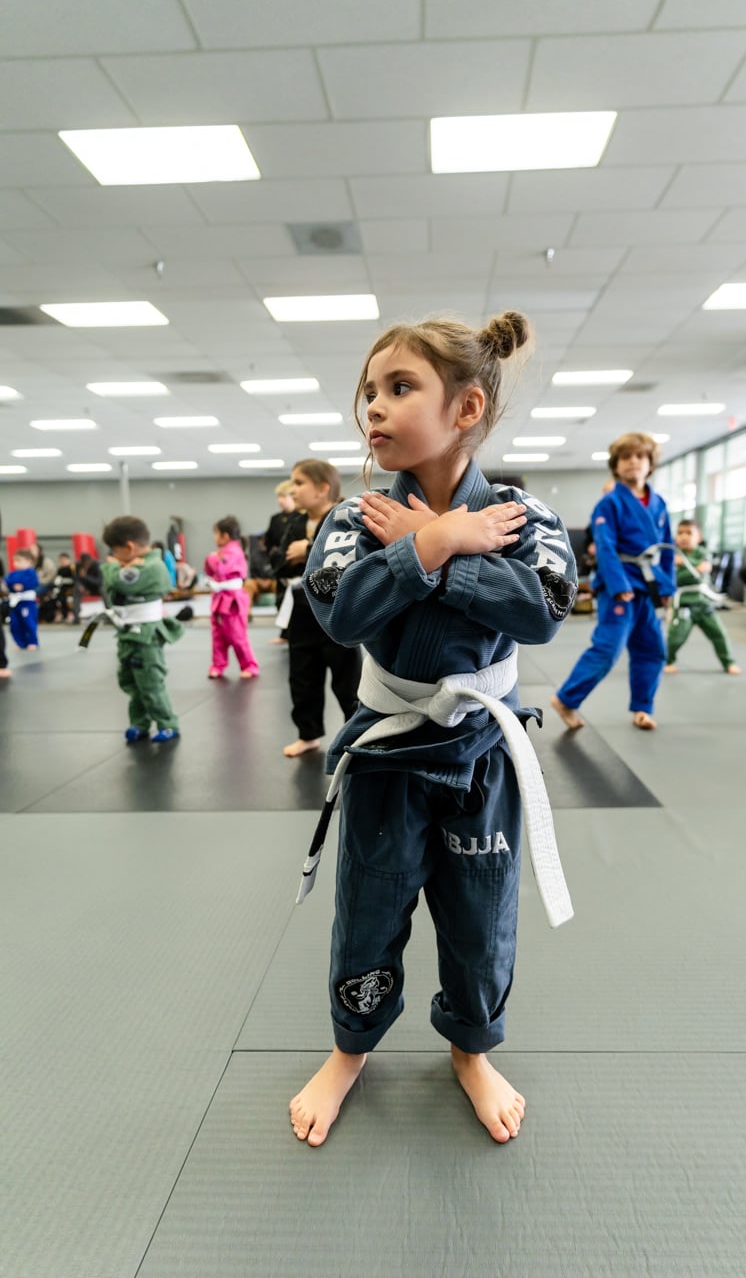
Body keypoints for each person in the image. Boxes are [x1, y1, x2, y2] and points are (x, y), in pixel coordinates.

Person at [288, 311, 576, 1149]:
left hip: (483, 753)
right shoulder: (354, 517)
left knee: (481, 915)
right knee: (368, 909)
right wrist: (437, 541)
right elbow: (340, 613)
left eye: (399, 387)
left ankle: (470, 1045)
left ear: (466, 410)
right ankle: (351, 1047)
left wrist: (437, 547)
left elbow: (541, 612)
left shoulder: (523, 514)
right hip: (388, 749)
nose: (372, 407)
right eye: (368, 392)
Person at [551, 432, 673, 731]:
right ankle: (566, 699)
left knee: (653, 649)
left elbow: (666, 548)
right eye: (626, 457)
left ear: (651, 465)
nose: (633, 462)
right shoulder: (608, 504)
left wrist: (667, 587)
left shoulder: (659, 504)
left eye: (640, 457)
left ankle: (643, 708)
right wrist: (619, 586)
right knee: (608, 648)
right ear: (616, 466)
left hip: (648, 586)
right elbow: (604, 547)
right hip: (621, 586)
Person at [276, 459, 362, 757]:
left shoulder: (343, 518)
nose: (293, 490)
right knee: (302, 676)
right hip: (301, 610)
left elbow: (348, 560)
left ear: (323, 488)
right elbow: (279, 559)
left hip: (335, 611)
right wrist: (295, 553)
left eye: (299, 483)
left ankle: (358, 734)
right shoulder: (294, 521)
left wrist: (308, 549)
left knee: (347, 680)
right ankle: (308, 733)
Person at [99, 517, 184, 743]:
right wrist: (118, 570)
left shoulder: (153, 567)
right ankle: (140, 722)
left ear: (129, 547)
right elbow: (109, 587)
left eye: (116, 552)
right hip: (127, 632)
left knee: (150, 682)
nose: (114, 557)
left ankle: (168, 724)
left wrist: (112, 566)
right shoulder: (133, 565)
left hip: (146, 635)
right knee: (131, 682)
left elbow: (117, 582)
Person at [664, 519, 741, 675]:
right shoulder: (671, 555)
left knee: (719, 634)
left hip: (704, 604)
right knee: (675, 637)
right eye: (680, 533)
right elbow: (677, 579)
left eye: (689, 533)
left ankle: (728, 662)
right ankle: (668, 661)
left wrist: (684, 564)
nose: (684, 537)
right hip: (683, 604)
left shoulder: (703, 553)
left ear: (698, 537)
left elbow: (704, 569)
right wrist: (694, 569)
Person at [203, 516, 259, 679]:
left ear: (225, 536)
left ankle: (249, 665)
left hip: (233, 599)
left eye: (216, 534)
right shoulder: (222, 552)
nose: (214, 539)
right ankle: (218, 665)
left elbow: (219, 568)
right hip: (220, 598)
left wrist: (212, 557)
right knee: (218, 634)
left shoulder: (234, 551)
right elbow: (209, 571)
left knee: (237, 634)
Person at [244, 481, 299, 642]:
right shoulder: (275, 519)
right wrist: (276, 557)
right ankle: (284, 634)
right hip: (280, 567)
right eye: (278, 497)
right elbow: (269, 543)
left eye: (283, 496)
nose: (280, 500)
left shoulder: (300, 517)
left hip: (297, 565)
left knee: (298, 603)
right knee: (281, 600)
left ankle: (296, 635)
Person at [5, 548, 40, 649]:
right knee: (15, 624)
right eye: (15, 561)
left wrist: (23, 585)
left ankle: (32, 642)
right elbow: (8, 581)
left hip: (27, 603)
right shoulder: (13, 573)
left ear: (29, 562)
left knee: (28, 623)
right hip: (15, 603)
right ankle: (20, 642)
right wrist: (13, 586)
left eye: (19, 561)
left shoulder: (31, 572)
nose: (16, 563)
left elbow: (34, 583)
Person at [72, 552, 103, 624]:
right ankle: (77, 617)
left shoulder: (97, 565)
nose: (86, 566)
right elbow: (76, 578)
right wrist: (80, 585)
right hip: (84, 587)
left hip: (96, 587)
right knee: (76, 590)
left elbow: (99, 581)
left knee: (103, 590)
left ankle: (109, 612)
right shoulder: (78, 565)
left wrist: (85, 577)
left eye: (87, 564)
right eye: (84, 564)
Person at [47, 552, 76, 623]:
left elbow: (75, 580)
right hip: (61, 589)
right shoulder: (60, 570)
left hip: (70, 589)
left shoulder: (72, 568)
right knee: (53, 598)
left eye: (64, 560)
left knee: (67, 598)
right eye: (61, 560)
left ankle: (70, 614)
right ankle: (60, 613)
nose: (63, 562)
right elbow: (57, 581)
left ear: (69, 560)